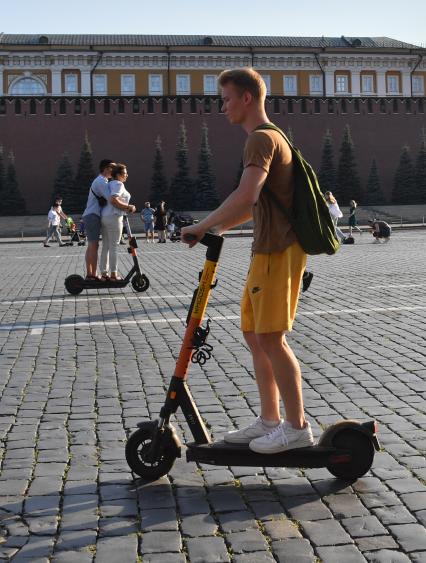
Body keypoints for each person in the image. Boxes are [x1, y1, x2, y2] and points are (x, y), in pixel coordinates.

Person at [181, 68, 314, 454]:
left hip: (278, 250)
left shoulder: (260, 139)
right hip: (267, 249)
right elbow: (250, 206)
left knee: (272, 338)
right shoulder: (269, 138)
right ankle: (270, 419)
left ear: (246, 98)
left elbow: (245, 195)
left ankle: (296, 426)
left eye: (225, 98)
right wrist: (214, 230)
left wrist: (202, 224)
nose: (221, 106)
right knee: (256, 336)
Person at [99, 163, 136, 280]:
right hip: (114, 217)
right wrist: (128, 207)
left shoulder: (110, 184)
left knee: (106, 246)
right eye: (125, 173)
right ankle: (114, 274)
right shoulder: (118, 184)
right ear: (118, 175)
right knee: (114, 246)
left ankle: (104, 274)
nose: (127, 175)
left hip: (105, 216)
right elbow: (114, 200)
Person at [81, 159, 114, 280]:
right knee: (94, 245)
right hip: (93, 215)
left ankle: (90, 273)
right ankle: (93, 274)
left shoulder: (101, 180)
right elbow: (111, 198)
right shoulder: (101, 181)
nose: (114, 171)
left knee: (91, 245)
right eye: (112, 168)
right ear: (106, 168)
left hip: (90, 215)